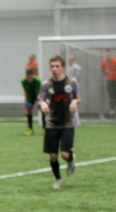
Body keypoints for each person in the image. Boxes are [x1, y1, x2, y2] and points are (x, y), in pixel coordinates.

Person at [38, 55, 80, 190]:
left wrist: (74, 101)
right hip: (52, 123)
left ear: (63, 68)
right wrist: (42, 104)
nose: (54, 69)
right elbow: (40, 99)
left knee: (65, 154)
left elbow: (78, 97)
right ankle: (58, 179)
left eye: (57, 66)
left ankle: (71, 159)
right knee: (53, 156)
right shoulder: (46, 85)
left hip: (68, 123)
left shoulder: (71, 82)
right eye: (52, 66)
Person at [21, 68, 42, 136]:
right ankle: (30, 129)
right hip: (30, 96)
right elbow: (27, 91)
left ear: (33, 75)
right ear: (26, 76)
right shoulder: (23, 81)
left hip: (38, 95)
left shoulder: (37, 81)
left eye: (31, 77)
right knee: (28, 110)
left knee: (43, 109)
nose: (29, 79)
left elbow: (38, 91)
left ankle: (45, 129)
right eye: (28, 78)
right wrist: (28, 102)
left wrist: (38, 101)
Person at [100, 50, 116, 116]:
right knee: (111, 95)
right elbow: (102, 69)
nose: (108, 56)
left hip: (115, 80)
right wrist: (106, 73)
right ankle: (112, 110)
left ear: (111, 55)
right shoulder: (104, 62)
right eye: (106, 55)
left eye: (109, 55)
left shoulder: (114, 61)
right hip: (109, 80)